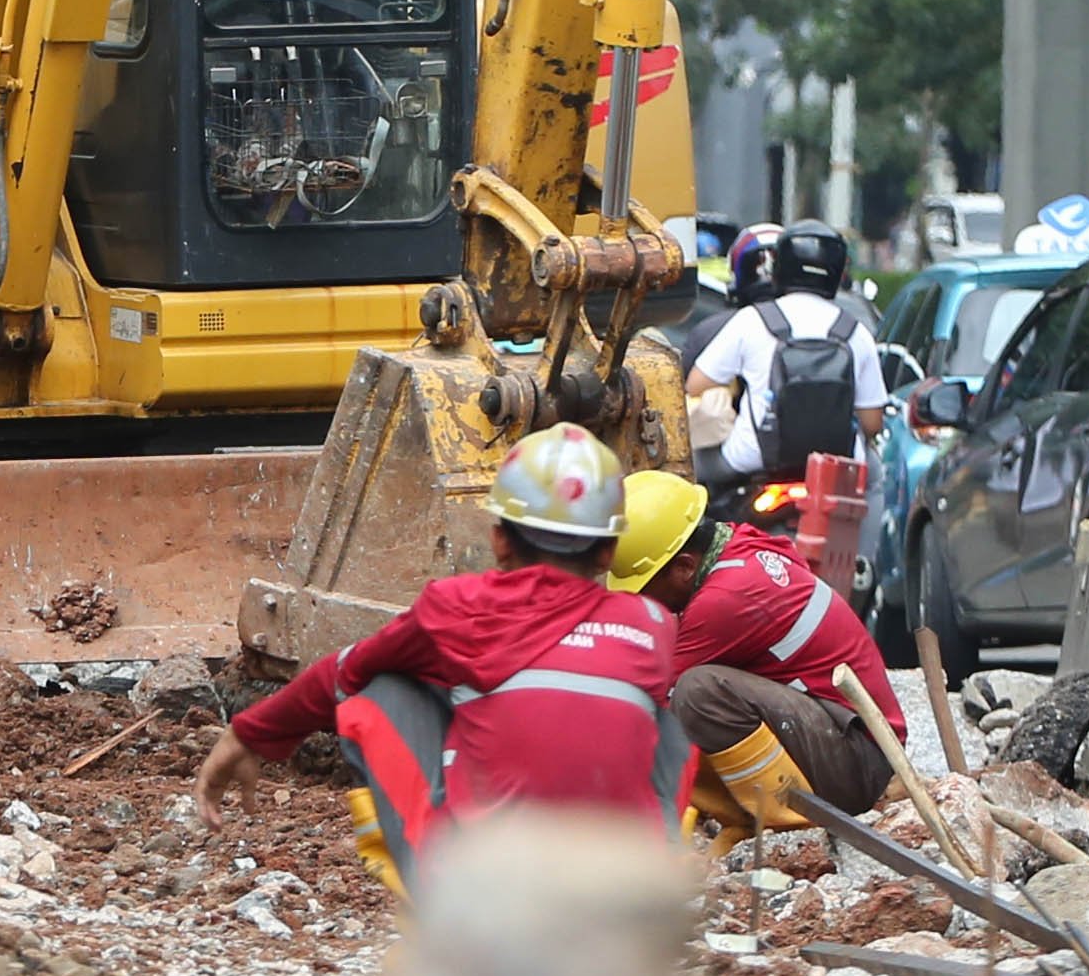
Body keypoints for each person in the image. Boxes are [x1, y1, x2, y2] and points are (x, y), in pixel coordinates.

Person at [196, 424, 680, 892]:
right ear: (609, 551)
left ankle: (435, 900)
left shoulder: (457, 608)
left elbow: (344, 673)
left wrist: (249, 732)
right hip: (624, 892)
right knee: (661, 721)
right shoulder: (654, 624)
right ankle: (663, 866)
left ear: (499, 538)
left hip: (493, 895)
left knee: (379, 688)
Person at [604, 467, 896, 838]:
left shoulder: (723, 601)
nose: (644, 599)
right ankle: (747, 817)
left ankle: (791, 831)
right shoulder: (743, 545)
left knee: (695, 693)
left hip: (860, 765)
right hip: (856, 740)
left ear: (684, 566)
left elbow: (647, 699)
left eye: (645, 587)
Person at [687, 218, 882, 485]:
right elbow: (872, 424)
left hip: (752, 460)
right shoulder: (855, 332)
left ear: (779, 267)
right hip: (834, 469)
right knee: (873, 478)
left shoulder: (751, 320)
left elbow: (696, 385)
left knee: (691, 469)